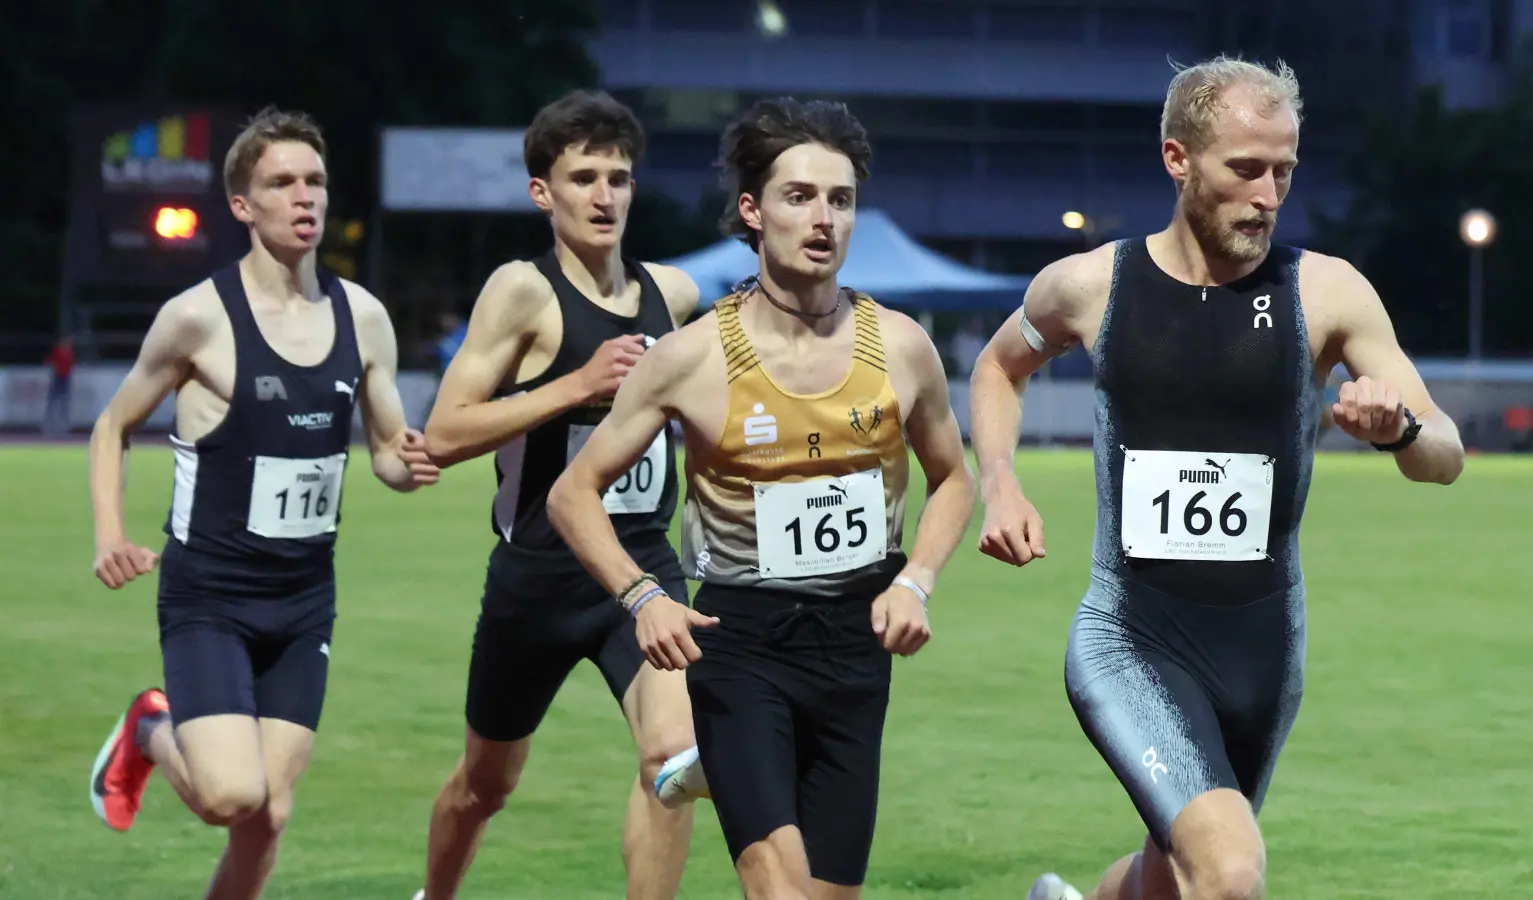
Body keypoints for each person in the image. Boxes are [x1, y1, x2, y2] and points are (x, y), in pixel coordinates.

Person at [965, 56, 1466, 900]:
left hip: (1264, 651)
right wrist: (1000, 481)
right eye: (1245, 169)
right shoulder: (1090, 286)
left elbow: (1445, 455)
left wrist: (1401, 429)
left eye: (1284, 171)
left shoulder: (1326, 292)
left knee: (1177, 875)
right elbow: (995, 367)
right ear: (1179, 159)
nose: (1268, 195)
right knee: (1230, 873)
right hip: (1130, 635)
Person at [547, 96, 977, 900]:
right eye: (799, 196)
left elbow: (954, 477)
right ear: (752, 210)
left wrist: (916, 579)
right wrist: (643, 597)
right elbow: (573, 493)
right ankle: (728, 755)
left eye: (840, 199)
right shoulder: (691, 358)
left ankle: (716, 768)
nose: (823, 219)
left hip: (855, 648)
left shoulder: (902, 347)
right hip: (741, 644)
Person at [86, 107, 441, 900]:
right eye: (282, 183)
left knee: (267, 816)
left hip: (305, 601)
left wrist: (407, 466)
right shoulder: (198, 318)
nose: (304, 196)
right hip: (210, 597)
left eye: (315, 180)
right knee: (229, 797)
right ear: (243, 205)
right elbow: (112, 425)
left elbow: (387, 450)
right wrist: (111, 533)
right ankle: (149, 729)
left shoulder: (363, 317)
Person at [414, 89, 704, 900]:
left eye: (619, 177)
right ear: (543, 192)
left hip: (638, 567)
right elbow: (444, 432)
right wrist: (576, 384)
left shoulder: (673, 295)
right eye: (583, 178)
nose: (604, 195)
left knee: (672, 761)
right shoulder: (522, 292)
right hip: (537, 579)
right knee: (484, 786)